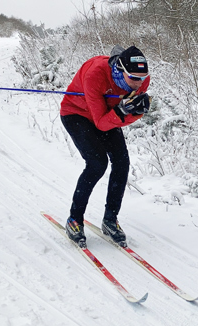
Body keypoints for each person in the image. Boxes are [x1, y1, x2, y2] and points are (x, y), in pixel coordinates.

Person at [59, 45, 151, 248]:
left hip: (108, 114)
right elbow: (100, 122)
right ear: (121, 70)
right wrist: (122, 111)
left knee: (122, 163)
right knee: (97, 163)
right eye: (134, 78)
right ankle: (74, 219)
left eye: (142, 78)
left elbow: (127, 115)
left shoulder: (141, 80)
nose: (139, 84)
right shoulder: (96, 74)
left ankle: (110, 220)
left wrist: (134, 112)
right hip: (77, 114)